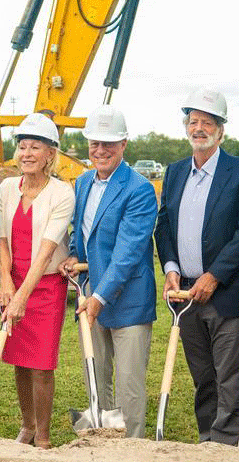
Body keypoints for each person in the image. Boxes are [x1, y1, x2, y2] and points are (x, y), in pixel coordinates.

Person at [154, 87, 239, 444]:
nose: (198, 128)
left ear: (221, 130)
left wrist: (214, 275)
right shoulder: (174, 173)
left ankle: (225, 441)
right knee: (202, 374)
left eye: (206, 122)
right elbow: (164, 225)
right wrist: (171, 267)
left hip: (227, 293)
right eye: (193, 121)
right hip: (185, 292)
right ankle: (207, 437)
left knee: (229, 373)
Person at [57, 104, 158, 439]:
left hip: (127, 299)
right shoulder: (83, 182)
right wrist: (73, 256)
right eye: (95, 143)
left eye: (109, 144)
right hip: (91, 295)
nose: (100, 150)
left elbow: (128, 253)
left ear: (124, 144)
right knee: (96, 376)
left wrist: (99, 296)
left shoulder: (139, 189)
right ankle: (102, 442)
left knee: (129, 384)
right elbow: (80, 231)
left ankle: (133, 448)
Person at [0, 113, 74, 449]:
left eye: (35, 147)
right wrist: (5, 284)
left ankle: (42, 436)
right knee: (19, 361)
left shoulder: (62, 193)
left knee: (41, 365)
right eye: (22, 146)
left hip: (44, 287)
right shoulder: (6, 189)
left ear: (50, 154)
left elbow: (45, 252)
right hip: (14, 283)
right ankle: (27, 426)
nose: (26, 153)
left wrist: (22, 297)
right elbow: (1, 241)